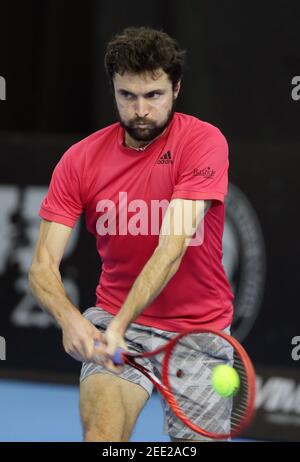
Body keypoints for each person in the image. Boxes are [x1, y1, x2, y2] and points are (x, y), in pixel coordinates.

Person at [29, 26, 234, 442]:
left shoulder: (203, 142)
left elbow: (172, 247)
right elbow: (42, 266)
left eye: (153, 95)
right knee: (103, 437)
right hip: (115, 320)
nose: (141, 109)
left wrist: (122, 324)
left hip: (198, 330)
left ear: (176, 88)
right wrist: (71, 320)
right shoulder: (80, 160)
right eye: (128, 96)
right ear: (114, 91)